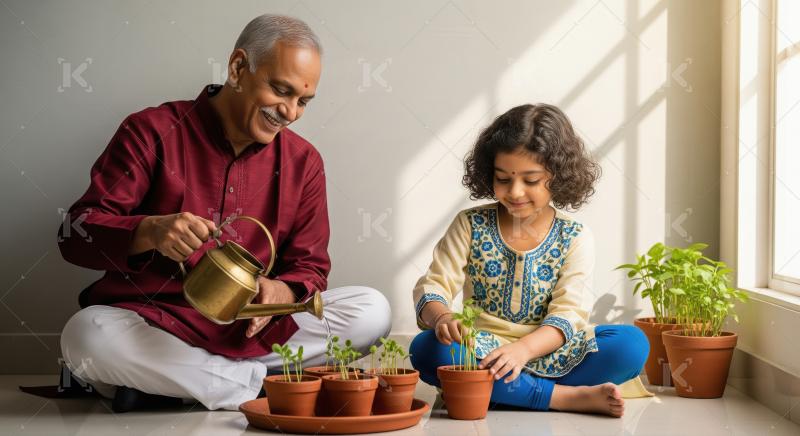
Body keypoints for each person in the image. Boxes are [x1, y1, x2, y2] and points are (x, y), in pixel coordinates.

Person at [58, 14, 390, 412]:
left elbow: (311, 267)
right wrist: (149, 231)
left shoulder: (304, 162)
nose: (290, 112)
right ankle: (261, 386)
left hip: (251, 334)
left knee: (371, 309)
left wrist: (283, 291)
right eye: (280, 90)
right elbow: (74, 235)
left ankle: (182, 384)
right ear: (237, 68)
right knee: (85, 337)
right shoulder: (151, 130)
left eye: (302, 101)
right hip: (156, 326)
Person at [410, 104, 649, 417]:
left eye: (531, 180)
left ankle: (498, 392)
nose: (516, 192)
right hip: (483, 350)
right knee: (427, 349)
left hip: (551, 351)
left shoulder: (574, 236)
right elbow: (435, 285)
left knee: (631, 344)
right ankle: (563, 397)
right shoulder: (470, 224)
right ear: (489, 173)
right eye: (503, 179)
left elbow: (569, 313)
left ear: (559, 175)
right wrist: (442, 318)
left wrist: (524, 350)